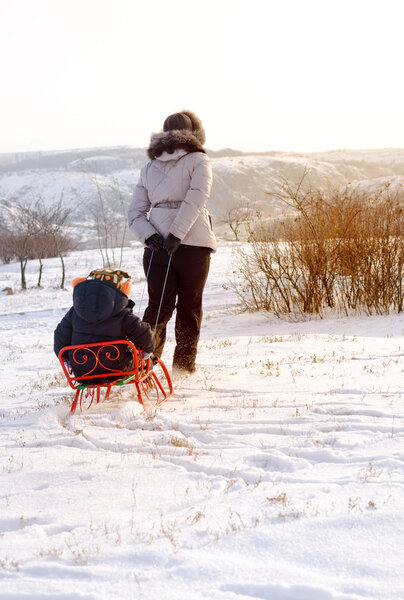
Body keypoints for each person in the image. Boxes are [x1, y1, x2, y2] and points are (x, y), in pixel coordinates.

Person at [128, 110, 217, 374]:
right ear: (194, 132)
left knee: (158, 307)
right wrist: (176, 234)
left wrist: (152, 237)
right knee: (190, 307)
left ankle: (143, 368)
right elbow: (196, 200)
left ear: (164, 134)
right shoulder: (199, 160)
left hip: (157, 248)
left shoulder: (148, 168)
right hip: (195, 245)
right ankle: (183, 370)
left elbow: (134, 213)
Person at [54, 268, 155, 379]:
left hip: (82, 370)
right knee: (145, 361)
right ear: (120, 288)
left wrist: (65, 359)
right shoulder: (122, 312)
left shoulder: (75, 312)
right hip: (117, 368)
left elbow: (60, 336)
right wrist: (148, 351)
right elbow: (143, 333)